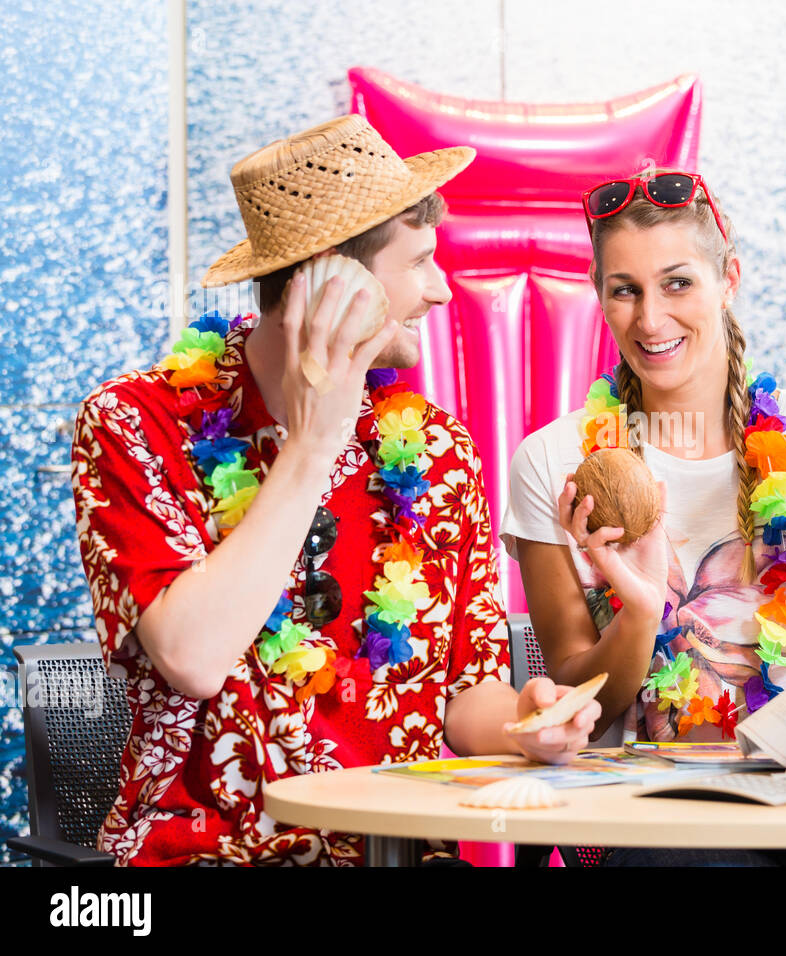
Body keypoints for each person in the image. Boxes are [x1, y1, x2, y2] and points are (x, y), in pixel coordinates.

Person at [71, 115, 598, 866]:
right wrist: (315, 443)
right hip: (211, 855)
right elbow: (190, 657)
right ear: (331, 278)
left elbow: (465, 696)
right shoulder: (135, 424)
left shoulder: (439, 451)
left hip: (402, 855)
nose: (441, 290)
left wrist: (526, 720)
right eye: (417, 263)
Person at [501, 170, 786, 865]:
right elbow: (581, 701)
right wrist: (642, 612)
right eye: (626, 290)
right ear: (601, 297)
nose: (651, 320)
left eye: (678, 283)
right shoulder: (553, 461)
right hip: (661, 816)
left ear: (728, 278)